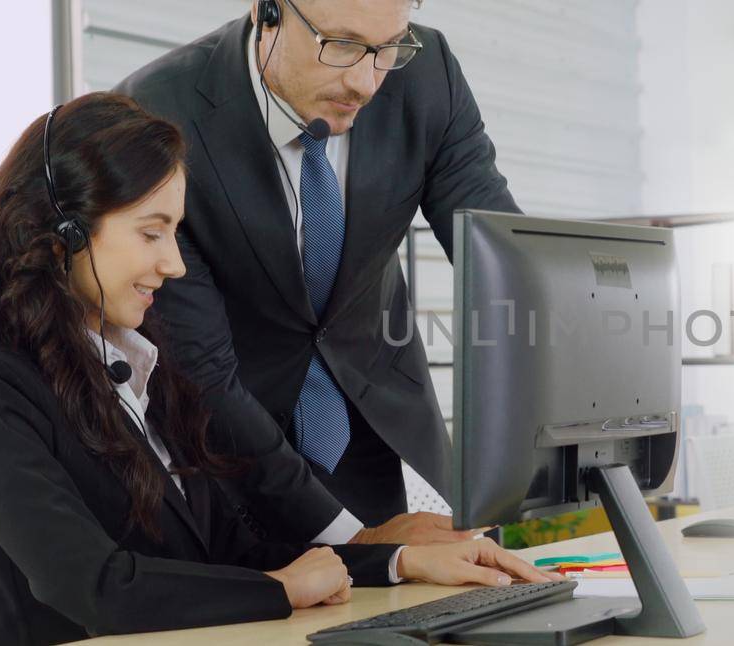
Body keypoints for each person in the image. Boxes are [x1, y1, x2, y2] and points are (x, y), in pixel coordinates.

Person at [0, 93, 557, 646]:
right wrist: (279, 592)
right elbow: (93, 585)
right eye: (151, 232)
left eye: (175, 234)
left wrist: (402, 561)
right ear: (63, 231)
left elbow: (236, 550)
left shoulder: (136, 370)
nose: (173, 266)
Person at [114, 0, 521, 544]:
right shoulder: (157, 113)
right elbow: (203, 373)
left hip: (366, 426)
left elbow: (502, 259)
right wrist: (353, 542)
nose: (365, 82)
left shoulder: (426, 73)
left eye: (386, 49)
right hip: (226, 452)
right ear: (268, 12)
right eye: (343, 45)